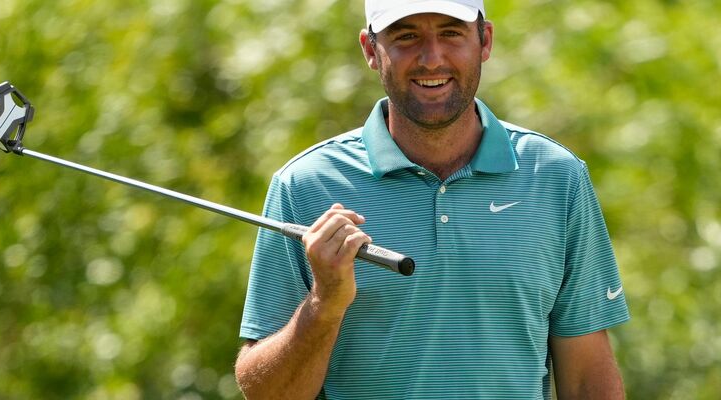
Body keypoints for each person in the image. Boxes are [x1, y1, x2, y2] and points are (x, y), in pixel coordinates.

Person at [234, 0, 630, 398]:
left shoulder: (556, 177)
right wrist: (324, 304)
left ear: (485, 41)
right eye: (406, 36)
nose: (431, 58)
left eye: (451, 33)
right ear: (371, 50)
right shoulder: (304, 185)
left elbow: (586, 380)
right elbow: (266, 394)